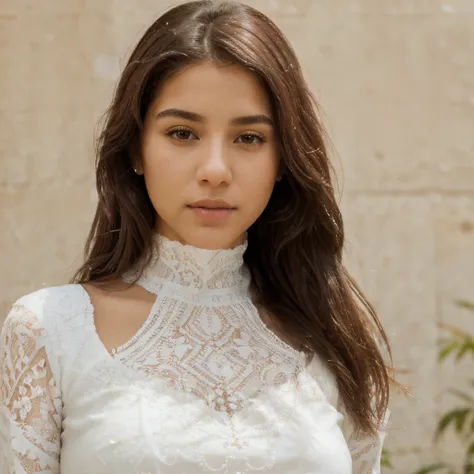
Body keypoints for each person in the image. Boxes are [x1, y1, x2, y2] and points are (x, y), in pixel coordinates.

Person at [0, 1, 396, 472]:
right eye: (183, 133)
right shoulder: (49, 329)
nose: (214, 170)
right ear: (136, 148)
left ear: (284, 160)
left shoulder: (340, 332)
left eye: (249, 138)